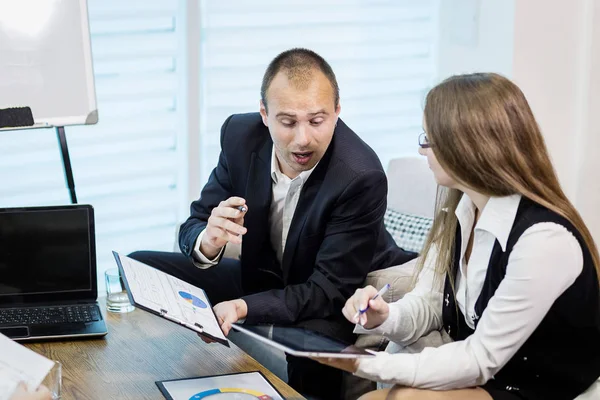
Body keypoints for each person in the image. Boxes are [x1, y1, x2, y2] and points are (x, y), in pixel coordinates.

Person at [130, 48, 415, 399]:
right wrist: (209, 241)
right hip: (266, 274)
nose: (303, 139)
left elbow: (326, 290)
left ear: (337, 112)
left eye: (317, 120)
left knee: (314, 349)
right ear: (265, 115)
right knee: (141, 263)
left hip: (327, 290)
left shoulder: (360, 175)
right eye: (288, 121)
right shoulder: (239, 135)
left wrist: (243, 307)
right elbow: (195, 223)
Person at [316, 73, 600, 400]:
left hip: (543, 388)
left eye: (428, 138)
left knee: (400, 397)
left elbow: (480, 358)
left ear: (467, 146)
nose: (422, 151)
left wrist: (368, 364)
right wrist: (385, 316)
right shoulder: (461, 211)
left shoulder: (543, 241)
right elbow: (430, 304)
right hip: (494, 375)